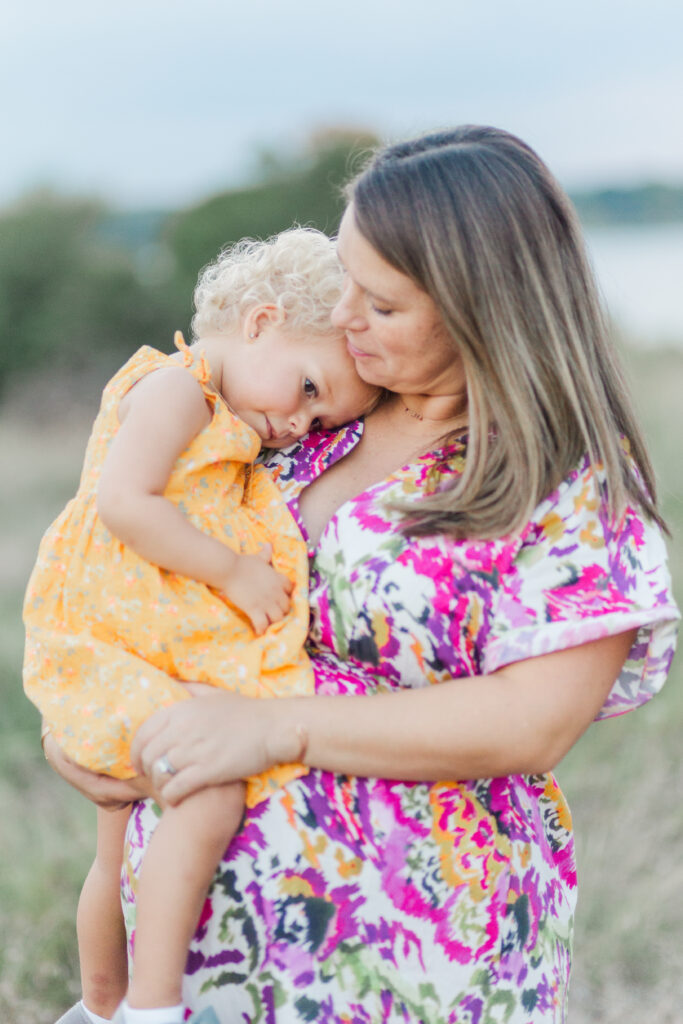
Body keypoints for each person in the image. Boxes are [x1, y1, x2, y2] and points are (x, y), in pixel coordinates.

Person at [45, 127, 679, 1024]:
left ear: (478, 308)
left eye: (380, 304)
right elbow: (145, 573)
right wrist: (90, 721)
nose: (343, 317)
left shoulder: (566, 476)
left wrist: (270, 732)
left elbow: (529, 724)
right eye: (345, 277)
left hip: (401, 971)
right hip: (192, 970)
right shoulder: (305, 415)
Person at [23, 227, 379, 1024]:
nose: (301, 427)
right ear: (260, 321)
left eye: (322, 423)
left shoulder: (234, 417)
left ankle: (100, 1007)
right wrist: (230, 570)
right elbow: (124, 501)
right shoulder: (178, 390)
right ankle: (147, 1007)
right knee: (205, 798)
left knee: (117, 845)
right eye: (310, 391)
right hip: (111, 642)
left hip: (142, 644)